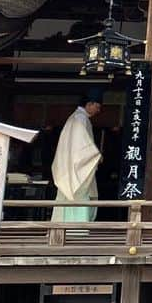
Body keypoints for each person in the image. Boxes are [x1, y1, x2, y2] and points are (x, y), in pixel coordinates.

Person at [51, 90, 104, 223]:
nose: (98, 110)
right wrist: (96, 155)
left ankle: (66, 230)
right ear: (89, 104)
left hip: (71, 167)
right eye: (97, 106)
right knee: (78, 197)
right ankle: (75, 230)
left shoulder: (76, 118)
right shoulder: (80, 119)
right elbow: (83, 148)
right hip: (78, 170)